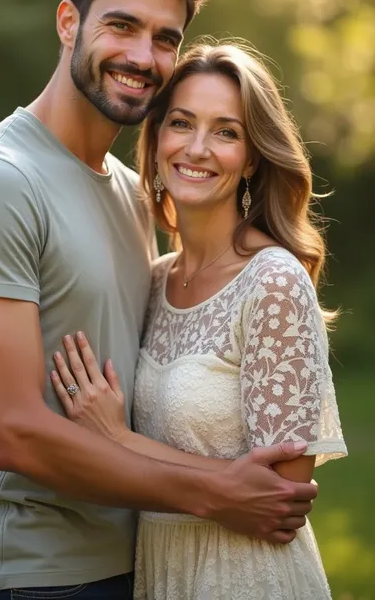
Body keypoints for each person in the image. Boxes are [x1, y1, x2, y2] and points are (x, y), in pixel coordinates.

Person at [0, 0, 318, 600]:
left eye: (166, 38)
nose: (143, 55)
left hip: (138, 568)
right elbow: (17, 434)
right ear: (68, 21)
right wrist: (217, 491)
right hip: (30, 578)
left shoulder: (136, 195)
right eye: (123, 26)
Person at [50, 41, 347, 600]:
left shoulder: (272, 281)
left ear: (254, 157)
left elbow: (281, 499)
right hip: (158, 572)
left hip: (248, 576)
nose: (199, 148)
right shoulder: (156, 279)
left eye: (227, 132)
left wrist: (117, 439)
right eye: (182, 123)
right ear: (158, 138)